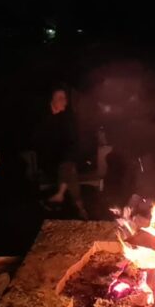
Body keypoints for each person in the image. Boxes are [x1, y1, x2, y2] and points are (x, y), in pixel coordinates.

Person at [30, 85, 87, 218]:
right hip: (49, 161)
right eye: (60, 98)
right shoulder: (43, 118)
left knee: (69, 166)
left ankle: (62, 197)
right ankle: (79, 207)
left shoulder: (66, 119)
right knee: (69, 168)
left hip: (64, 161)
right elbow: (40, 141)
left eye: (65, 98)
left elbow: (71, 142)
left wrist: (69, 155)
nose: (64, 102)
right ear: (52, 101)